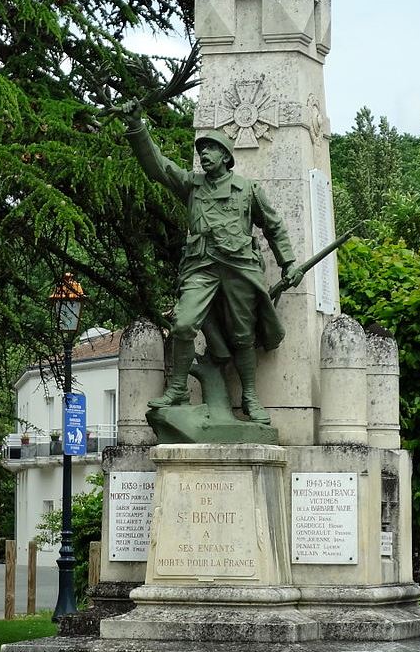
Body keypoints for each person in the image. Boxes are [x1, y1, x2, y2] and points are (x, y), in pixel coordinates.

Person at [121, 101, 303, 424]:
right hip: (201, 266)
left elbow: (273, 226)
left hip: (239, 268)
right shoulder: (192, 185)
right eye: (202, 149)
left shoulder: (247, 190)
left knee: (244, 335)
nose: (204, 154)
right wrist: (137, 128)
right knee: (182, 323)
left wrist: (288, 262)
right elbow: (158, 167)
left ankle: (249, 396)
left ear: (226, 157)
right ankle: (178, 387)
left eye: (211, 149)